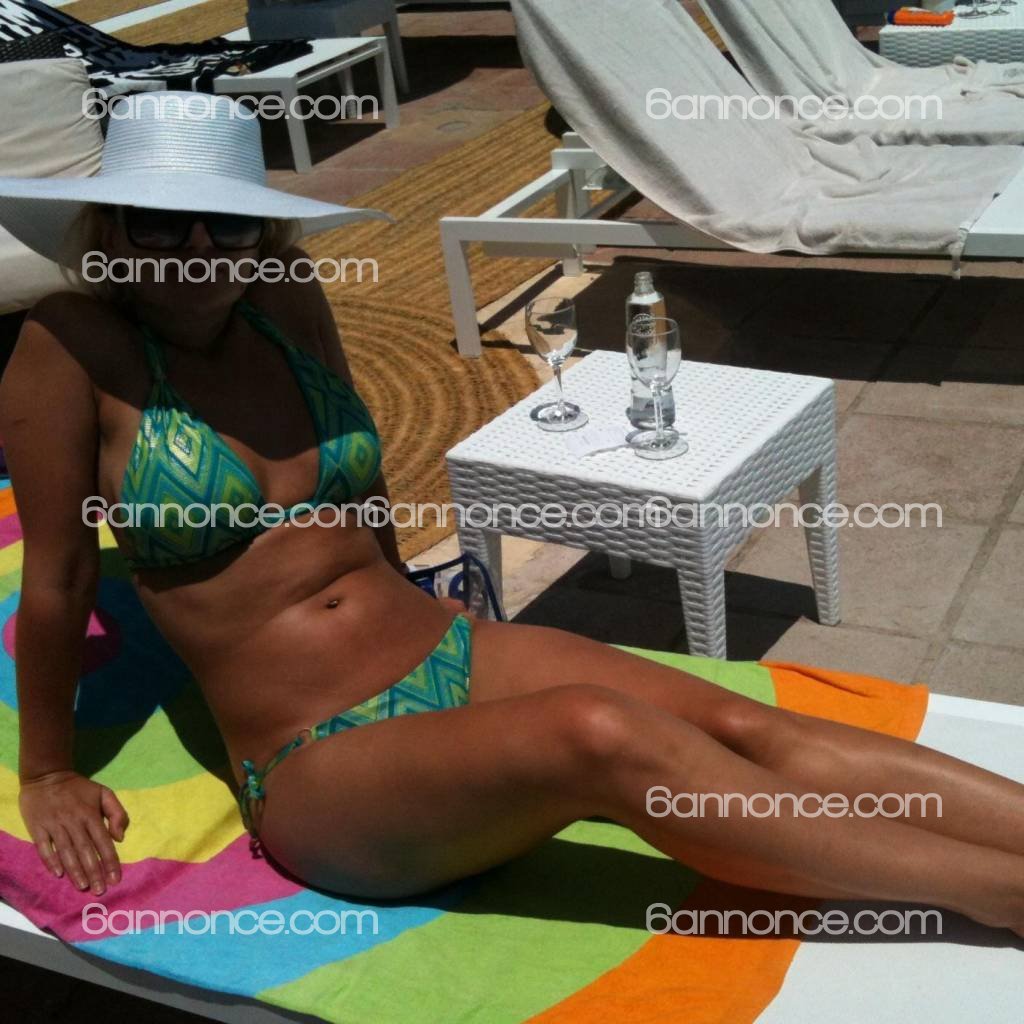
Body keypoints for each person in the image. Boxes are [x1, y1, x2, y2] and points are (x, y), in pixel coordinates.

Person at [1, 93, 1022, 938]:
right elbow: (60, 577)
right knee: (598, 731)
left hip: (446, 651)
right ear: (109, 226)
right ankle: (1002, 894)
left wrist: (415, 597)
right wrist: (46, 769)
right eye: (160, 221)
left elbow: (361, 497)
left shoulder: (285, 294)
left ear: (261, 231)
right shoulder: (72, 346)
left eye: (227, 222)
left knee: (738, 722)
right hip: (316, 759)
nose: (198, 248)